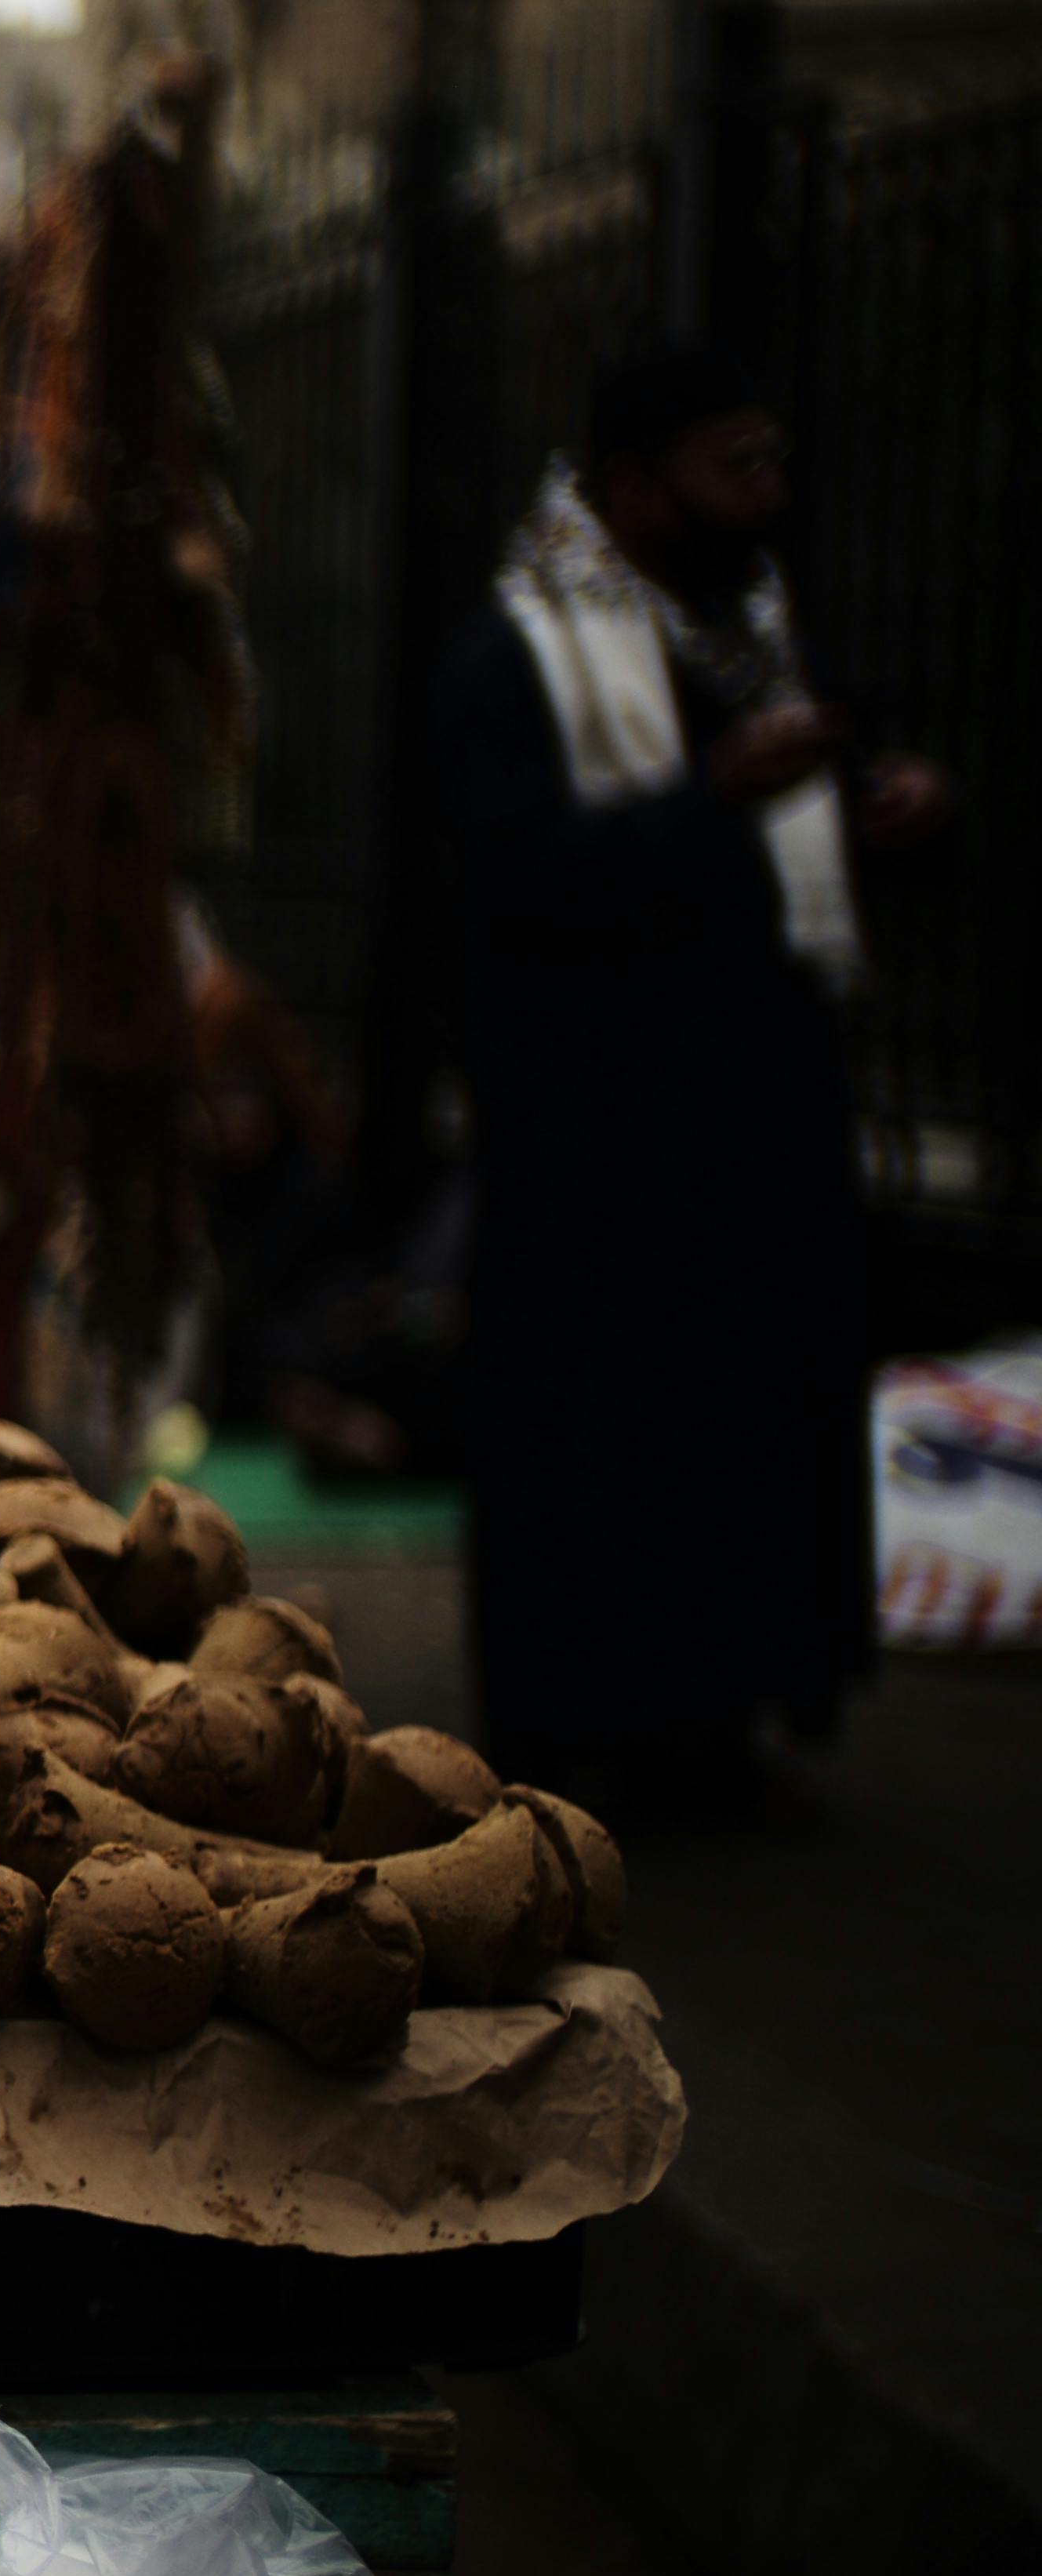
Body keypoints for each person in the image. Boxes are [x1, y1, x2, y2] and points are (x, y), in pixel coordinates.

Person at [444, 342, 949, 1809]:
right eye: (737, 466)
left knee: (743, 1408)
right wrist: (707, 805)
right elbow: (514, 873)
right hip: (595, 1118)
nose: (768, 497)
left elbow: (811, 830)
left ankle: (719, 1720)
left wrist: (895, 810)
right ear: (633, 484)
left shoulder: (758, 633)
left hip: (753, 1097)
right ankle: (580, 1720)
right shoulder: (517, 650)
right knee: (600, 1414)